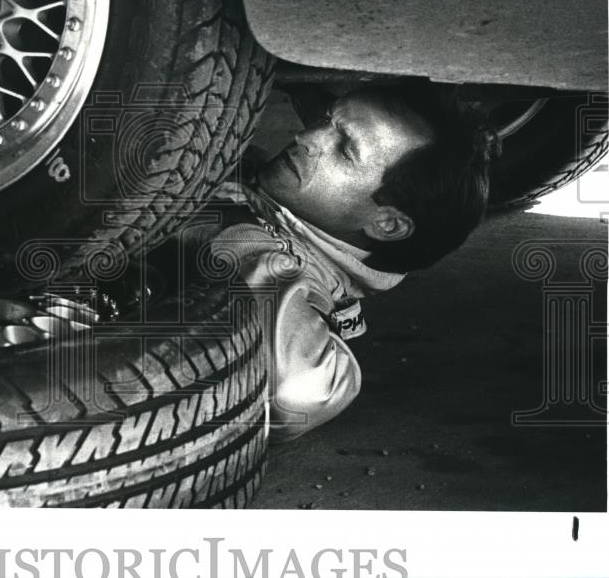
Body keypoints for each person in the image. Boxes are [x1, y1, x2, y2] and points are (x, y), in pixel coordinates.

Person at [193, 82, 499, 442]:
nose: (305, 137)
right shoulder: (269, 185)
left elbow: (298, 393)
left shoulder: (288, 268)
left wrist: (236, 236)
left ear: (386, 224)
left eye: (344, 149)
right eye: (325, 121)